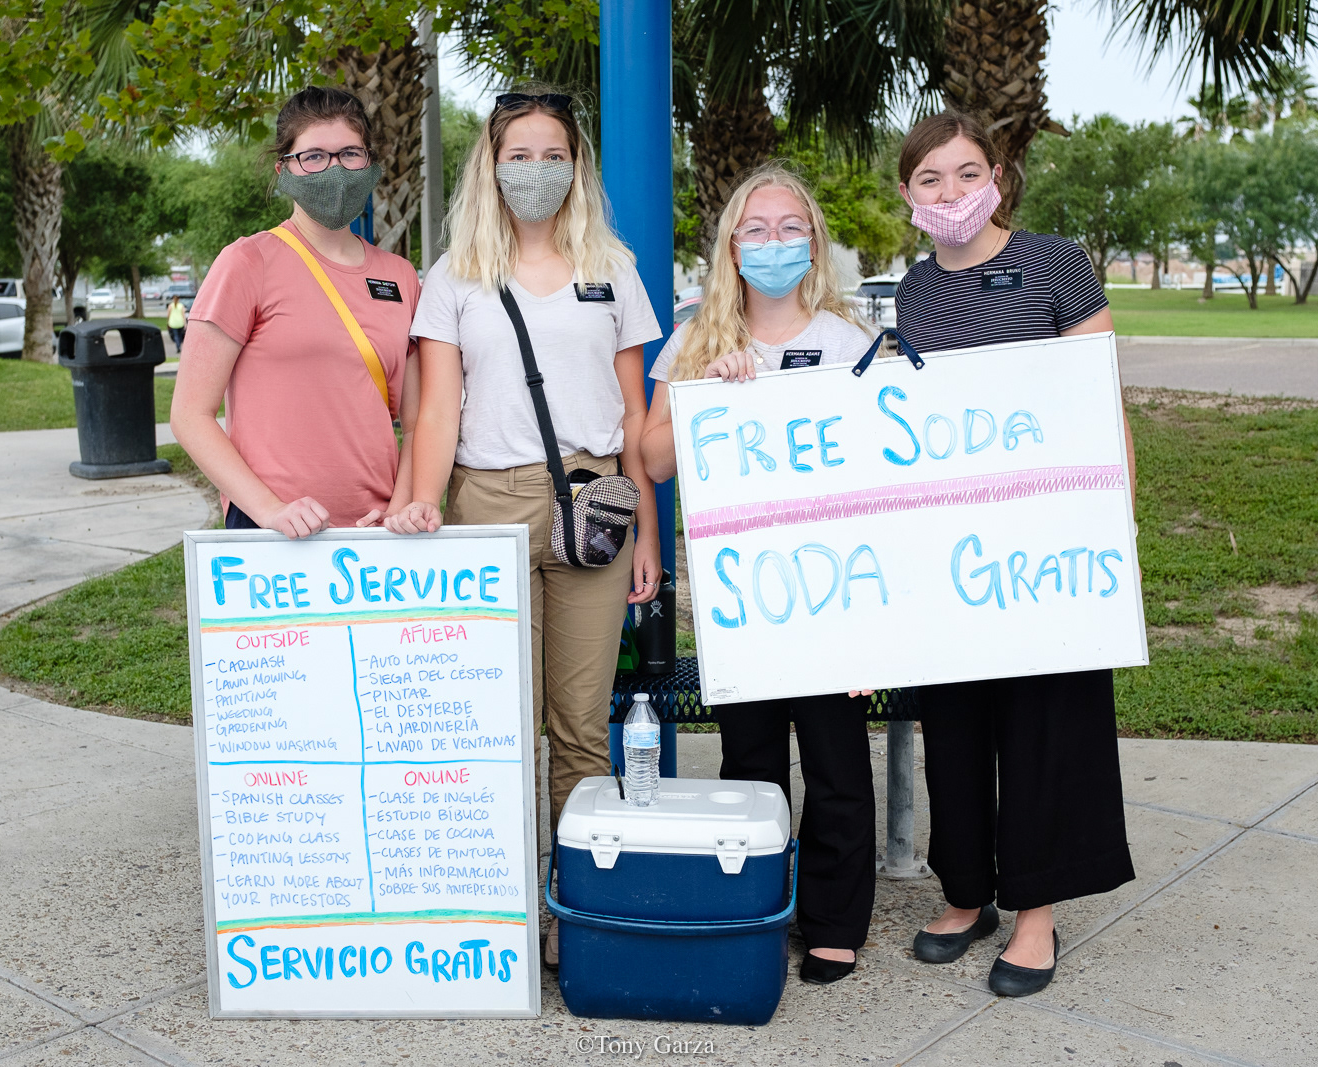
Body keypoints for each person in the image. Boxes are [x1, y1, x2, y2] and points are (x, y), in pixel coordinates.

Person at [382, 90, 663, 966]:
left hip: (595, 510)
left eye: (552, 155)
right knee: (497, 723)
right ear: (489, 164)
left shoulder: (610, 264)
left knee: (580, 725)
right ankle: (495, 905)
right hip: (485, 502)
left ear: (576, 167)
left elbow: (632, 412)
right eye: (518, 154)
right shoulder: (455, 273)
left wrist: (651, 536)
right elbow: (436, 410)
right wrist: (420, 499)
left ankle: (572, 906)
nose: (534, 170)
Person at [892, 110, 1136, 998]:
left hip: (1049, 544)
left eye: (964, 174)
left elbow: (1099, 402)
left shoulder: (1057, 263)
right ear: (910, 195)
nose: (950, 193)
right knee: (953, 724)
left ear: (996, 175)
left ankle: (1035, 912)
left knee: (1044, 726)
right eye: (930, 180)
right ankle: (967, 894)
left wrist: (1114, 527)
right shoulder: (912, 293)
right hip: (950, 550)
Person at [639, 164, 879, 986]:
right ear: (730, 246)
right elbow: (653, 457)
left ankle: (835, 921)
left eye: (789, 228)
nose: (773, 242)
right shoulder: (695, 342)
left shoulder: (852, 345)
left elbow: (881, 476)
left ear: (811, 239)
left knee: (838, 763)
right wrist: (704, 391)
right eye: (756, 229)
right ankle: (756, 904)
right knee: (751, 765)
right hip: (738, 596)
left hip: (831, 589)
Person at [171, 86, 421, 536]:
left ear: (370, 162)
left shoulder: (400, 277)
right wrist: (268, 510)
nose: (334, 170)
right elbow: (190, 415)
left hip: (376, 533)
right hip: (272, 534)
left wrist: (399, 508)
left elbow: (420, 420)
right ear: (283, 168)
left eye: (349, 153)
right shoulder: (247, 262)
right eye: (313, 157)